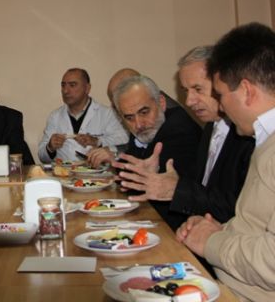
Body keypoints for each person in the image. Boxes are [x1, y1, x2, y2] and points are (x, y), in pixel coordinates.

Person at [176, 23, 275, 301]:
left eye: (220, 94)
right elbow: (256, 225)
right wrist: (219, 230)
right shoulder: (264, 139)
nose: (221, 106)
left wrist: (211, 241)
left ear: (246, 91)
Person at [115, 46, 253, 223]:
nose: (188, 101)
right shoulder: (211, 127)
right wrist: (156, 175)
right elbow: (202, 188)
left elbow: (244, 210)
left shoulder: (248, 134)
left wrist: (177, 190)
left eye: (198, 89)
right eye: (186, 91)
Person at [111, 75, 202, 229]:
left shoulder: (179, 129)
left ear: (161, 103)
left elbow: (134, 184)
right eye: (129, 118)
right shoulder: (148, 129)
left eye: (144, 112)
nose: (139, 124)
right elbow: (126, 174)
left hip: (179, 228)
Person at [37, 68, 128, 163]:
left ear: (87, 88)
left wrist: (97, 141)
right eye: (63, 85)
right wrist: (50, 147)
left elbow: (124, 144)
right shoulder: (55, 117)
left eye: (72, 85)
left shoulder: (107, 114)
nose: (65, 91)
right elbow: (42, 157)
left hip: (99, 171)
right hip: (64, 172)